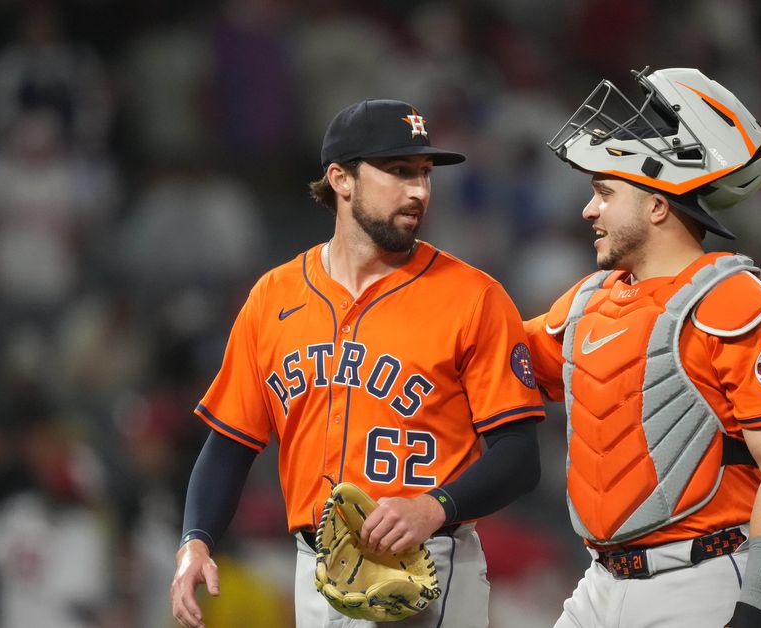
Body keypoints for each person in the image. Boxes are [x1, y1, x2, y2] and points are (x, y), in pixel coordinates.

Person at [169, 98, 545, 628]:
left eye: (424, 173)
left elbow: (519, 455)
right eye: (398, 171)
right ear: (340, 179)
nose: (419, 190)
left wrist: (435, 506)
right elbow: (230, 443)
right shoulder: (272, 297)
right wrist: (196, 541)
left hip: (425, 562)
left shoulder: (473, 297)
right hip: (317, 568)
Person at [523, 67, 761, 627]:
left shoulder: (738, 306)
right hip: (600, 584)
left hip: (708, 578)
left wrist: (756, 609)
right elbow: (499, 363)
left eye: (605, 193)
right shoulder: (588, 300)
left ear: (659, 205)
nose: (589, 210)